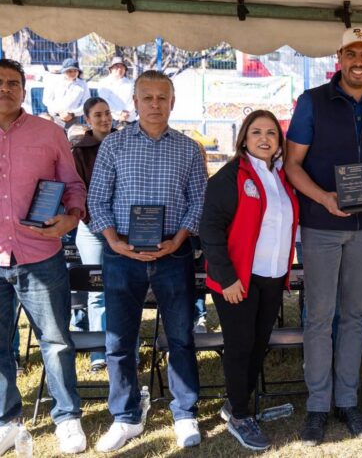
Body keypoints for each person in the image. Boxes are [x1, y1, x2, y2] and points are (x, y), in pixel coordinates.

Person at [285, 27, 362, 445]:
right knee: (319, 319)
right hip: (321, 227)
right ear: (338, 57)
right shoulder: (313, 101)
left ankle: (348, 401)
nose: (358, 61)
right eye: (350, 53)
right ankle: (318, 406)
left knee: (354, 318)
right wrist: (323, 197)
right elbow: (292, 165)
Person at [88, 70, 207, 452]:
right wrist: (113, 241)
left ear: (172, 102)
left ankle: (185, 411)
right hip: (122, 255)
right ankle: (124, 417)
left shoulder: (189, 149)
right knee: (119, 340)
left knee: (181, 336)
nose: (155, 104)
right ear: (135, 102)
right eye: (148, 98)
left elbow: (198, 202)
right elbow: (97, 201)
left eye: (162, 98)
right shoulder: (114, 147)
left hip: (174, 255)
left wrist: (178, 239)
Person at [0, 59, 88, 454]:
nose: (5, 89)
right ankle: (6, 419)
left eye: (13, 83)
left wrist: (68, 221)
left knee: (55, 341)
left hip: (41, 254)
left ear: (24, 88)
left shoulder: (49, 133)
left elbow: (73, 185)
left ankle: (67, 417)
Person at [200, 110, 299, 451]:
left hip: (271, 278)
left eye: (271, 133)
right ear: (244, 138)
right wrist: (227, 278)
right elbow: (210, 229)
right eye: (256, 132)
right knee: (240, 346)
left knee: (258, 344)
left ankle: (235, 402)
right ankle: (241, 415)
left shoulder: (282, 177)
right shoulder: (229, 177)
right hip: (238, 280)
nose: (264, 138)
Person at [71, 97, 116, 371]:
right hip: (91, 229)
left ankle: (124, 349)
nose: (104, 119)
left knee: (123, 290)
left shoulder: (126, 143)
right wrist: (97, 221)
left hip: (123, 228)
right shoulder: (79, 151)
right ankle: (99, 351)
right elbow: (78, 190)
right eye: (98, 115)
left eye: (107, 113)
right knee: (97, 291)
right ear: (88, 120)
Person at [42, 59, 90, 129]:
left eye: (75, 71)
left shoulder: (83, 84)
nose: (73, 73)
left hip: (73, 119)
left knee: (72, 139)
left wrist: (73, 114)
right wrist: (60, 112)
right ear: (64, 71)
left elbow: (86, 103)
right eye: (70, 71)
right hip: (55, 118)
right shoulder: (54, 82)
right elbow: (46, 100)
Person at [97, 56, 136, 124]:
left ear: (125, 69)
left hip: (129, 119)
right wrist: (120, 112)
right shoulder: (103, 83)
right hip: (110, 120)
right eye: (117, 66)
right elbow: (104, 101)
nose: (119, 69)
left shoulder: (131, 83)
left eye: (122, 66)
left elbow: (135, 99)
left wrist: (126, 113)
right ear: (111, 69)